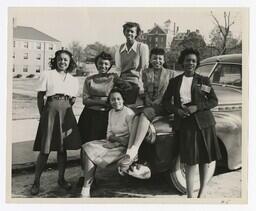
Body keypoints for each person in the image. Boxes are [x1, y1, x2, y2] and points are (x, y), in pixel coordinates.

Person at [161, 48, 222, 198]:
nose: (190, 63)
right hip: (185, 124)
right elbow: (166, 102)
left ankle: (201, 193)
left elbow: (214, 101)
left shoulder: (203, 81)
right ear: (182, 62)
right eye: (188, 60)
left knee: (204, 159)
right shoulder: (174, 81)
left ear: (197, 63)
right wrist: (177, 111)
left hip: (204, 124)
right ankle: (189, 195)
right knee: (190, 160)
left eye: (194, 61)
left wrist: (197, 107)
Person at [30, 49, 81, 195]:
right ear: (55, 60)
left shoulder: (72, 79)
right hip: (50, 110)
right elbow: (40, 97)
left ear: (70, 62)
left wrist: (64, 109)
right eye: (60, 59)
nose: (62, 62)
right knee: (45, 149)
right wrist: (43, 114)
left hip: (66, 112)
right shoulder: (48, 74)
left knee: (62, 148)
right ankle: (36, 182)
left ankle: (61, 179)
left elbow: (73, 99)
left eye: (66, 59)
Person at [118, 48, 175, 175]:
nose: (157, 61)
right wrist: (149, 100)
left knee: (144, 113)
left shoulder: (171, 73)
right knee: (136, 116)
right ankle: (130, 153)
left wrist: (157, 102)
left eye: (160, 58)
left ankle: (134, 150)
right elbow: (145, 91)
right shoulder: (146, 72)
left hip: (164, 105)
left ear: (164, 60)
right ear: (150, 59)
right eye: (154, 58)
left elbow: (169, 93)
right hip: (150, 105)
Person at [80, 88, 135, 197]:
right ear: (109, 102)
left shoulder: (129, 113)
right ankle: (88, 183)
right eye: (113, 100)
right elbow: (108, 134)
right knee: (87, 147)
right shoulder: (111, 112)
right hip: (112, 142)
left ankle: (86, 188)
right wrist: (112, 140)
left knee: (91, 152)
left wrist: (117, 140)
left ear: (123, 100)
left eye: (118, 99)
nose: (116, 102)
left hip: (124, 146)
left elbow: (131, 138)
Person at [77, 52, 118, 186]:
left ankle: (93, 176)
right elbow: (85, 100)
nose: (103, 66)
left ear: (110, 65)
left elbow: (119, 95)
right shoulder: (89, 79)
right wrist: (104, 102)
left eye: (106, 64)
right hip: (89, 116)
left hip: (106, 117)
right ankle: (86, 176)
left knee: (100, 146)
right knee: (86, 146)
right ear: (96, 64)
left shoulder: (114, 78)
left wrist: (96, 100)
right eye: (100, 63)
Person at [115, 22, 149, 105]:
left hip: (135, 83)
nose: (129, 33)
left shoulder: (142, 47)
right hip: (122, 82)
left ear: (136, 34)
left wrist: (142, 87)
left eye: (132, 31)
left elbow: (145, 69)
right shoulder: (120, 48)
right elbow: (118, 69)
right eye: (127, 31)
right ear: (124, 32)